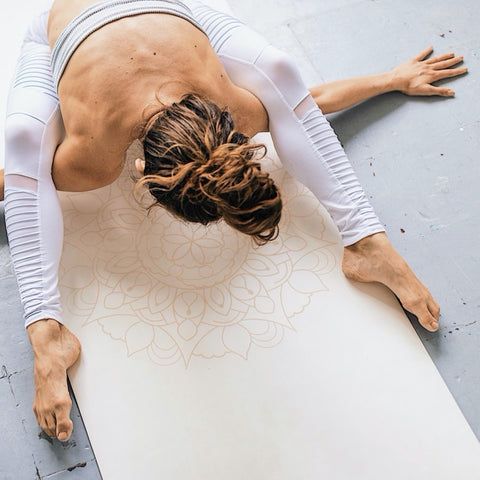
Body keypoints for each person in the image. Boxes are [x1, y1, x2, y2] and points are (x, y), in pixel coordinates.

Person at [0, 0, 466, 442]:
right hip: (57, 29)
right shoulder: (94, 157)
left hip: (171, 12)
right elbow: (18, 181)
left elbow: (306, 99)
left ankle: (368, 242)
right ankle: (47, 336)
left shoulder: (232, 103)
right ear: (138, 173)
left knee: (281, 71)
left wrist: (391, 79)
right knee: (23, 143)